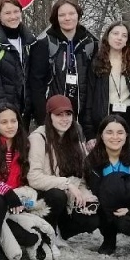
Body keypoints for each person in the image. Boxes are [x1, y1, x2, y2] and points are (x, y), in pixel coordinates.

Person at [0, 103, 51, 260]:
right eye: (4, 122)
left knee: (30, 238)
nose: (10, 126)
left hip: (12, 205)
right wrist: (6, 192)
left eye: (13, 121)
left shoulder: (22, 147)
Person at [25, 95, 101, 239]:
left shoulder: (75, 138)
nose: (64, 119)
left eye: (68, 114)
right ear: (49, 116)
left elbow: (82, 178)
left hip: (69, 198)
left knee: (92, 220)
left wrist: (85, 195)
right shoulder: (38, 138)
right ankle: (48, 233)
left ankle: (62, 231)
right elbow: (33, 178)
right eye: (59, 114)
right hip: (43, 195)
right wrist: (67, 184)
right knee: (57, 195)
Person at [84, 115, 130, 254]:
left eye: (120, 132)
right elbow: (96, 191)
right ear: (101, 135)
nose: (115, 137)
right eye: (109, 132)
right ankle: (109, 238)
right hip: (107, 206)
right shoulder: (92, 160)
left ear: (127, 135)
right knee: (107, 188)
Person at [83, 21, 130, 147]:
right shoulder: (96, 63)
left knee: (128, 161)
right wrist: (90, 133)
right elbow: (89, 99)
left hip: (129, 118)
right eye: (115, 33)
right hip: (104, 117)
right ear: (107, 36)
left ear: (127, 40)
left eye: (124, 35)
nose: (119, 38)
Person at [28, 0, 97, 124]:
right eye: (62, 15)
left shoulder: (91, 44)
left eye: (71, 13)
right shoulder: (45, 44)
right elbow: (36, 85)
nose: (67, 18)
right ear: (56, 18)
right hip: (54, 114)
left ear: (78, 15)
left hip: (83, 116)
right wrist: (43, 120)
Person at [0, 0, 35, 126]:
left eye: (16, 11)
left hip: (25, 112)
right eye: (7, 13)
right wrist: (4, 110)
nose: (13, 16)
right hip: (3, 114)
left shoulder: (29, 41)